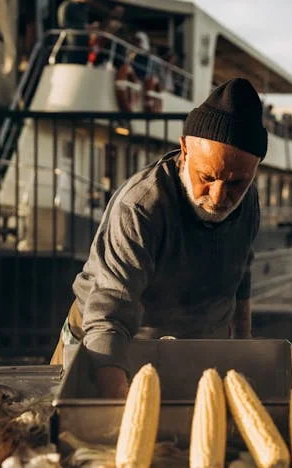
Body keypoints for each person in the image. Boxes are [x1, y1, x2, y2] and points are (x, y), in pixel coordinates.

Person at [50, 78, 268, 398]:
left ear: (255, 169)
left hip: (193, 348)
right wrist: (120, 414)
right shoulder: (142, 207)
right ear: (184, 150)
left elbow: (242, 271)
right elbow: (108, 317)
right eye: (207, 177)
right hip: (109, 346)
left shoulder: (248, 201)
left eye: (236, 182)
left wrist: (243, 348)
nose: (220, 195)